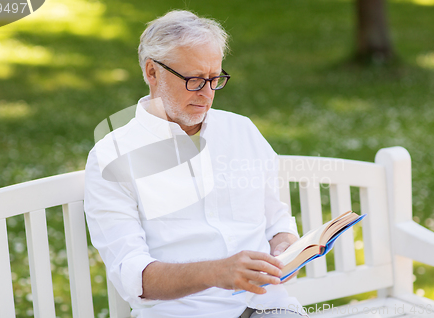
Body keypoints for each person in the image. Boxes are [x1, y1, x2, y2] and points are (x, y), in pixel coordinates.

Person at [84, 10, 305, 318]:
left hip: (268, 307)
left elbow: (278, 224)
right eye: (195, 80)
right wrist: (216, 272)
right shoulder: (112, 156)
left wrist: (285, 251)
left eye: (215, 79)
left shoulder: (241, 131)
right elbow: (134, 277)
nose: (208, 93)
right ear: (152, 72)